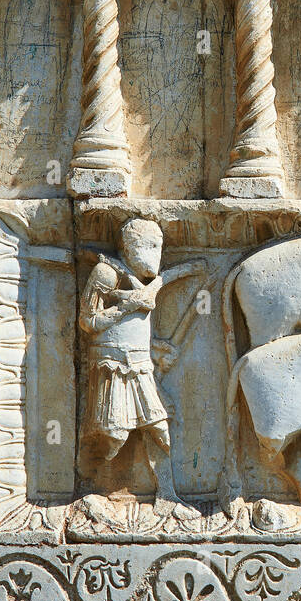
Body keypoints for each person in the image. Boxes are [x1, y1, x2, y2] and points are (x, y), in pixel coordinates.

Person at [79, 218, 206, 519]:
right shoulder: (106, 273)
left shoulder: (145, 281)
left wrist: (192, 270)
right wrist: (126, 304)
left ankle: (167, 495)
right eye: (146, 246)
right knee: (115, 435)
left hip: (140, 365)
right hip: (112, 366)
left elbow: (164, 279)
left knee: (159, 429)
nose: (154, 254)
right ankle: (90, 490)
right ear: (127, 247)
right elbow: (87, 321)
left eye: (158, 246)